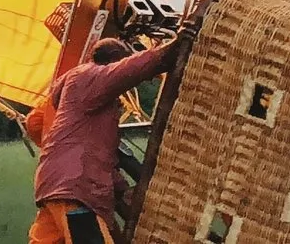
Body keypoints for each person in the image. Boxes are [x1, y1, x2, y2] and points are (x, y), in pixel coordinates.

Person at [21, 32, 179, 244]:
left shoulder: (88, 105)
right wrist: (172, 49)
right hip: (75, 187)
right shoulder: (89, 77)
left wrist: (122, 190)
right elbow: (131, 70)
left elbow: (102, 160)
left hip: (57, 186)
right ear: (113, 59)